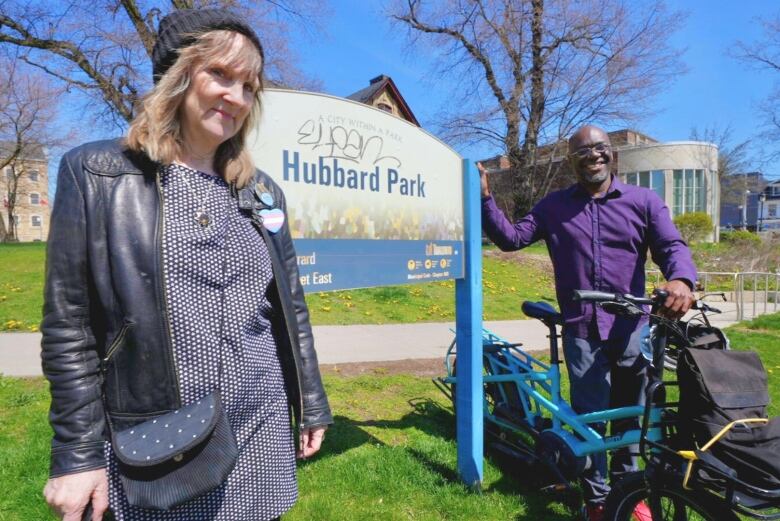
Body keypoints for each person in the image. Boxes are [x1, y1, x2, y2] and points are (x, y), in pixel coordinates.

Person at [40, 8, 332, 521]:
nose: (236, 97)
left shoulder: (261, 192)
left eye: (249, 85)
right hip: (159, 434)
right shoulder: (97, 174)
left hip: (259, 421)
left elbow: (290, 307)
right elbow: (69, 328)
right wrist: (76, 454)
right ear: (177, 74)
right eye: (219, 74)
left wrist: (310, 401)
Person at [479, 125, 696, 521]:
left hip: (632, 329)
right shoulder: (554, 207)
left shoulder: (643, 201)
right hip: (581, 329)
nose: (593, 155)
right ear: (570, 160)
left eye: (600, 148)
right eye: (582, 151)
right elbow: (511, 239)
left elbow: (671, 246)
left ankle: (631, 493)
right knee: (589, 418)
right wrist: (486, 200)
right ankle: (597, 500)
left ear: (612, 154)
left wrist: (681, 278)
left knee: (632, 414)